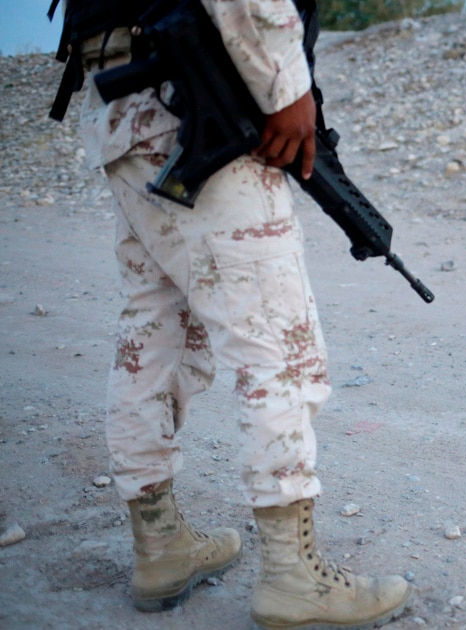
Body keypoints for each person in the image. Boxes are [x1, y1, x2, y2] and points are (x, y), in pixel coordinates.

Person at [51, 0, 413, 626]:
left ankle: (160, 544)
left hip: (126, 104)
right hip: (190, 95)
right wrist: (286, 84)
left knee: (157, 328)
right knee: (278, 341)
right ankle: (295, 577)